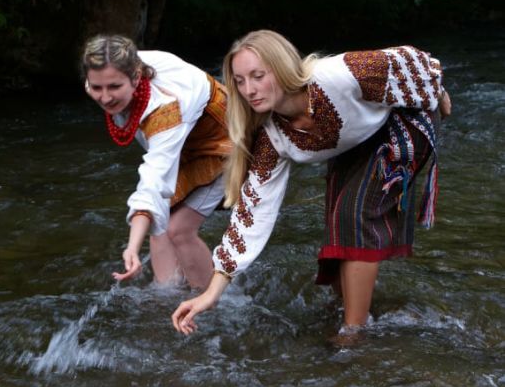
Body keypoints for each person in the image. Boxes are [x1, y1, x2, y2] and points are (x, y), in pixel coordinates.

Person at [171, 30, 452, 334]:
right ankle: (356, 308)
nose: (249, 90)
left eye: (257, 76)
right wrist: (211, 293)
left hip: (405, 119)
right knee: (336, 222)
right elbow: (252, 213)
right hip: (356, 140)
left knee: (354, 213)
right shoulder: (271, 136)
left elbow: (414, 60)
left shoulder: (337, 76)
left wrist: (436, 92)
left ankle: (354, 335)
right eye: (239, 81)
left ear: (280, 68)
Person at [81, 35, 233, 289]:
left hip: (224, 143)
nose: (105, 98)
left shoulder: (165, 109)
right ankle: (165, 301)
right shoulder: (117, 66)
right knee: (158, 225)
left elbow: (153, 183)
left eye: (114, 87)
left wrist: (132, 247)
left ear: (136, 77)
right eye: (97, 88)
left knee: (178, 230)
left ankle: (210, 303)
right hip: (182, 144)